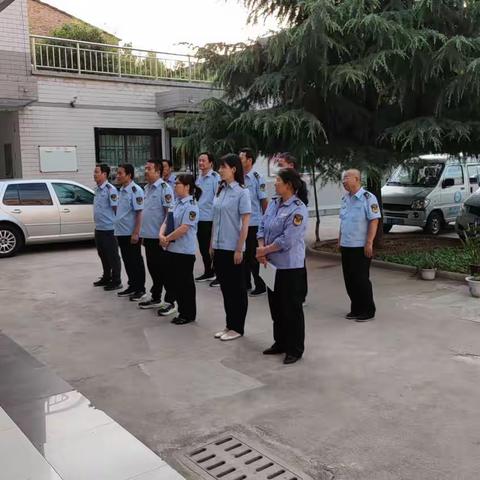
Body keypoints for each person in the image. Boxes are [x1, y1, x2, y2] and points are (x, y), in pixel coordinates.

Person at [256, 168, 308, 365]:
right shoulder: (274, 204)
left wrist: (264, 250)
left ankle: (295, 348)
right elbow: (262, 226)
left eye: (277, 180)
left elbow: (288, 239)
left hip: (290, 267)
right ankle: (280, 342)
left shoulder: (298, 209)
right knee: (276, 307)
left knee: (291, 309)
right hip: (270, 264)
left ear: (289, 185)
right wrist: (262, 249)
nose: (274, 183)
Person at [212, 153, 251, 341]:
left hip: (233, 247)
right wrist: (212, 243)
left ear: (234, 169)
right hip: (219, 247)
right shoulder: (221, 190)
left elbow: (245, 223)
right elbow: (216, 219)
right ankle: (229, 324)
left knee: (237, 290)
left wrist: (239, 248)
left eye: (223, 167)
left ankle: (238, 327)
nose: (220, 170)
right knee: (226, 288)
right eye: (219, 167)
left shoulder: (242, 192)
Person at [339, 169, 381, 322]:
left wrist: (369, 242)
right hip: (346, 244)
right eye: (343, 178)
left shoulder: (368, 198)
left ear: (356, 179)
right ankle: (356, 308)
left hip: (360, 245)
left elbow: (374, 220)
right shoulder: (345, 199)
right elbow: (343, 221)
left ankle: (368, 310)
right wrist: (340, 239)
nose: (344, 181)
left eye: (346, 178)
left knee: (361, 279)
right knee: (349, 279)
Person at [159, 174, 200, 325]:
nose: (175, 186)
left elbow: (184, 228)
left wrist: (166, 238)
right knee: (175, 283)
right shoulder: (175, 203)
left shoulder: (191, 205)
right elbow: (166, 220)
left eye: (178, 184)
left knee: (185, 285)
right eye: (175, 183)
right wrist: (160, 235)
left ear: (187, 186)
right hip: (171, 250)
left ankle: (188, 314)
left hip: (184, 252)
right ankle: (181, 310)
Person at [138, 159, 175, 310]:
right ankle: (156, 297)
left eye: (149, 169)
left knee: (165, 271)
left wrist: (166, 237)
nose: (145, 171)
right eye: (145, 168)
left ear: (158, 172)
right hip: (148, 237)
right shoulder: (146, 188)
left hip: (160, 238)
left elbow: (169, 214)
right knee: (153, 269)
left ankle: (170, 301)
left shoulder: (164, 188)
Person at [276, 152, 309, 304]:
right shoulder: (276, 199)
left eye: (281, 165)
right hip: (281, 237)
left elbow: (301, 208)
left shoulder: (299, 187)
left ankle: (300, 294)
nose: (279, 168)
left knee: (298, 265)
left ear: (291, 166)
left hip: (294, 233)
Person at [114, 163, 146, 301]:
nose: (117, 176)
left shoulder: (135, 190)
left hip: (130, 233)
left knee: (136, 261)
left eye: (120, 173)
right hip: (121, 232)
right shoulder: (121, 190)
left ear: (129, 175)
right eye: (117, 173)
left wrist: (136, 232)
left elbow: (139, 213)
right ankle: (132, 285)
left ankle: (140, 289)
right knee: (127, 261)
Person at [239, 147, 268, 296]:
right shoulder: (238, 178)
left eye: (241, 158)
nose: (239, 160)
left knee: (253, 256)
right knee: (243, 255)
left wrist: (267, 221)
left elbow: (263, 201)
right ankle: (246, 283)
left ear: (249, 160)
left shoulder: (257, 177)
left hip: (255, 222)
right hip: (241, 224)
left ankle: (260, 285)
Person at [92, 164, 122, 291]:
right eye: (94, 172)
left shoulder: (111, 190)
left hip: (109, 229)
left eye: (97, 172)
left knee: (112, 255)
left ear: (104, 174)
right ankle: (106, 277)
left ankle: (116, 280)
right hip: (99, 228)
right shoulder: (97, 189)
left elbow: (116, 209)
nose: (94, 174)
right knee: (102, 254)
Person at [195, 152, 220, 284]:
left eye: (203, 161)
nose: (201, 163)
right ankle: (208, 272)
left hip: (210, 218)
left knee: (212, 247)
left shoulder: (215, 177)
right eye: (199, 160)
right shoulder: (198, 178)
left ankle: (218, 274)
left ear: (211, 163)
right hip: (199, 218)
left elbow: (218, 198)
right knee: (203, 247)